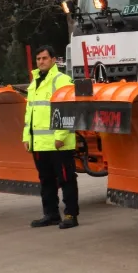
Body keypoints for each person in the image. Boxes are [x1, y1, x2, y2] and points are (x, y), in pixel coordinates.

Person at [25, 45, 80, 229]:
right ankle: (51, 214)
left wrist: (61, 136)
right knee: (46, 180)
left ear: (53, 59)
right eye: (38, 59)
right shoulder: (34, 84)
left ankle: (71, 215)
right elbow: (29, 114)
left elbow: (68, 110)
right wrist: (27, 137)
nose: (41, 61)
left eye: (45, 58)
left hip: (59, 143)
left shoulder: (62, 80)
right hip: (39, 143)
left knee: (66, 179)